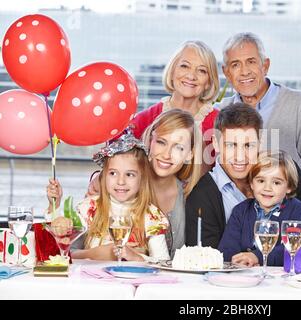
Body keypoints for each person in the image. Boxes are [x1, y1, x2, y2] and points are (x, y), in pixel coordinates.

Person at [185, 103, 301, 249]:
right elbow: (208, 258)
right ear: (216, 143)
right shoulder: (201, 196)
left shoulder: (282, 170)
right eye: (231, 145)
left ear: (260, 142)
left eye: (248, 145)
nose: (240, 157)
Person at [217, 32, 301, 203]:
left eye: (251, 62)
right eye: (235, 64)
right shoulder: (220, 111)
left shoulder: (299, 105)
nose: (244, 71)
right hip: (234, 223)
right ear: (227, 72)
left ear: (265, 65)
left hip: (284, 225)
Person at [84, 109, 203, 257]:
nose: (166, 154)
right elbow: (73, 247)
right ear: (150, 141)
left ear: (189, 155)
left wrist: (139, 256)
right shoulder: (120, 188)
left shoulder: (194, 196)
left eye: (179, 147)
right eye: (161, 142)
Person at [46, 132, 170, 262]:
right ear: (104, 175)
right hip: (91, 280)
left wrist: (137, 257)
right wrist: (53, 206)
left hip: (130, 281)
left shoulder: (151, 215)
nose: (120, 181)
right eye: (113, 173)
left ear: (142, 178)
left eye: (130, 174)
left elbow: (163, 262)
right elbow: (58, 245)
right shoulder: (89, 208)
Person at [130, 40, 220, 170]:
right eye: (184, 66)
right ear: (172, 71)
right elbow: (118, 157)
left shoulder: (219, 123)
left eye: (201, 71)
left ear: (208, 82)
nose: (191, 76)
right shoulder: (146, 118)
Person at [218, 150, 301, 267]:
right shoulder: (240, 210)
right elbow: (227, 248)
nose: (267, 188)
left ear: (289, 187)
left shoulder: (297, 210)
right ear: (251, 183)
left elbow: (294, 249)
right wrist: (237, 261)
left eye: (276, 183)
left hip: (278, 279)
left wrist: (257, 257)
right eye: (261, 181)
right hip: (245, 274)